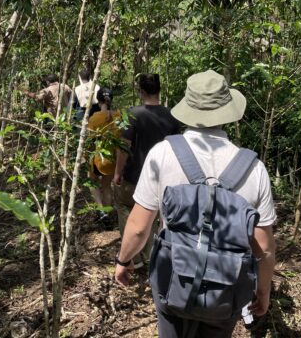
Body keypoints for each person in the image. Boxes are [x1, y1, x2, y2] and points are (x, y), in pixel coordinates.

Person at [114, 69, 277, 338]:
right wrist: (263, 291)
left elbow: (140, 226)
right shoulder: (254, 169)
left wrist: (124, 259)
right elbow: (264, 248)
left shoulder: (163, 154)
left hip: (173, 278)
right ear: (228, 111)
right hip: (225, 286)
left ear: (189, 108)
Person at [113, 73, 179, 266]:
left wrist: (118, 172)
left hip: (135, 177)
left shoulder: (132, 114)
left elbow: (124, 146)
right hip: (164, 179)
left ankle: (136, 256)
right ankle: (155, 256)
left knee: (127, 209)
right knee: (158, 218)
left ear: (141, 92)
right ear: (159, 90)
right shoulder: (171, 116)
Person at [87, 87, 120, 222]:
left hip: (98, 159)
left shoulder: (94, 118)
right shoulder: (119, 115)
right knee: (106, 186)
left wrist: (85, 157)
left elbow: (89, 141)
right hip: (113, 158)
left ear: (98, 101)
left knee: (91, 183)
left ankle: (101, 211)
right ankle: (108, 211)